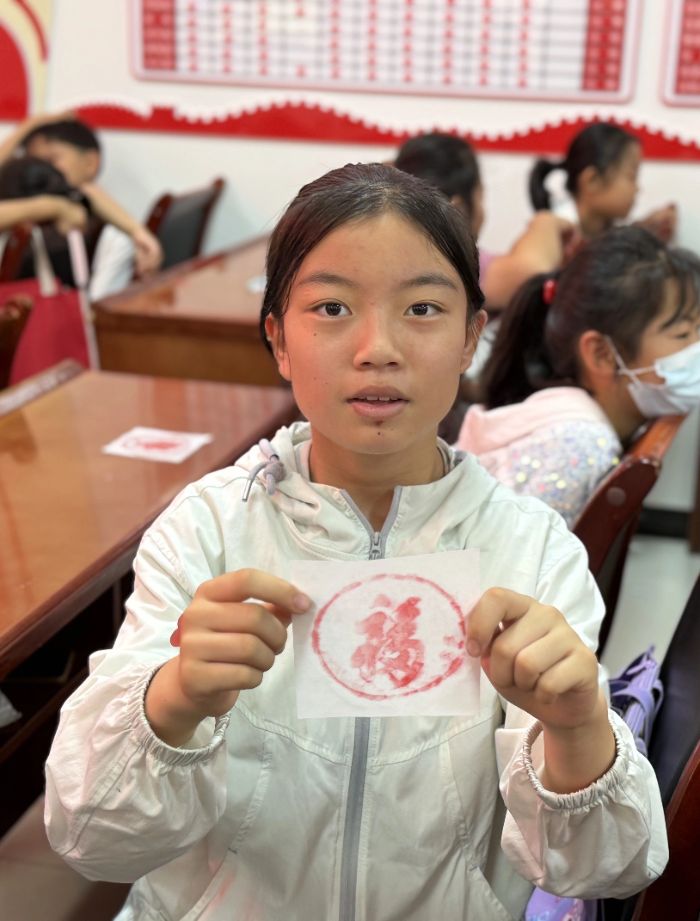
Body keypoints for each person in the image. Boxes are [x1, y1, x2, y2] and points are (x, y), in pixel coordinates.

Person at [45, 164, 667, 921]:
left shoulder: (531, 551)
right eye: (332, 307)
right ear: (278, 339)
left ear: (471, 337)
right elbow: (90, 839)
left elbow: (606, 868)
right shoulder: (208, 530)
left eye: (423, 308)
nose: (378, 348)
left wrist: (578, 729)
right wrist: (170, 701)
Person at [457, 226, 700, 526]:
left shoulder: (582, 425)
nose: (695, 347)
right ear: (601, 353)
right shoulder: (581, 445)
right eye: (683, 334)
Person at [395, 132, 576, 312]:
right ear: (458, 208)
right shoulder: (455, 264)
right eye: (479, 196)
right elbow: (531, 274)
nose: (482, 210)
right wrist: (546, 221)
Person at [0, 114, 162, 294]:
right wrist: (55, 207)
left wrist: (137, 232)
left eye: (52, 160)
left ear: (90, 163)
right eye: (33, 162)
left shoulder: (109, 231)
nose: (42, 169)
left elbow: (86, 191)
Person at [529, 122, 677, 243]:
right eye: (631, 177)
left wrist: (644, 229)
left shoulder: (599, 232)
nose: (638, 189)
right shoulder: (555, 237)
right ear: (592, 181)